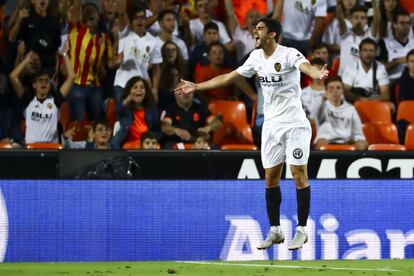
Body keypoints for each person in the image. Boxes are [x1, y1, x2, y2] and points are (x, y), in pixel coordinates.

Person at [175, 18, 329, 250]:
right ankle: (276, 230)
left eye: (259, 29)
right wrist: (197, 86)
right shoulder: (255, 58)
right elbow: (228, 77)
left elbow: (305, 66)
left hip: (295, 124)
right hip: (271, 126)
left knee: (298, 173)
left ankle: (302, 230)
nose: (254, 32)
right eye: (254, 29)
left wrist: (316, 73)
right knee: (270, 178)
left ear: (272, 34)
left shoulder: (289, 54)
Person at [9, 50, 75, 144]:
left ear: (50, 85)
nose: (44, 83)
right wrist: (27, 60)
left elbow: (72, 77)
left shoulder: (56, 99)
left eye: (46, 81)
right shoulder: (27, 100)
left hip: (51, 150)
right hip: (32, 150)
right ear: (34, 85)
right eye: (40, 81)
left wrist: (64, 54)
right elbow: (13, 77)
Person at [315, 76, 368, 150]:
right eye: (331, 88)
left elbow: (358, 132)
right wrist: (322, 99)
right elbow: (314, 114)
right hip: (326, 139)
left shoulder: (350, 109)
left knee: (363, 144)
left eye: (338, 88)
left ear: (342, 91)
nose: (335, 91)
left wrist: (357, 139)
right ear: (326, 91)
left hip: (346, 140)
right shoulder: (322, 106)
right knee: (321, 143)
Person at [111, 76, 161, 148]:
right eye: (135, 87)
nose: (139, 89)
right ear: (129, 91)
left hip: (147, 144)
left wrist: (151, 140)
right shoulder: (125, 108)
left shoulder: (152, 109)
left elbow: (157, 131)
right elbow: (118, 110)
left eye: (142, 87)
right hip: (129, 144)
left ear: (146, 91)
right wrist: (128, 99)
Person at [343, 38, 390, 103]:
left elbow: (385, 95)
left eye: (371, 50)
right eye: (365, 50)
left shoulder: (380, 68)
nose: (368, 54)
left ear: (375, 53)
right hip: (355, 102)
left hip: (373, 102)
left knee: (390, 106)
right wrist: (360, 99)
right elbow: (346, 92)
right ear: (360, 52)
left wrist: (368, 101)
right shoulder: (351, 68)